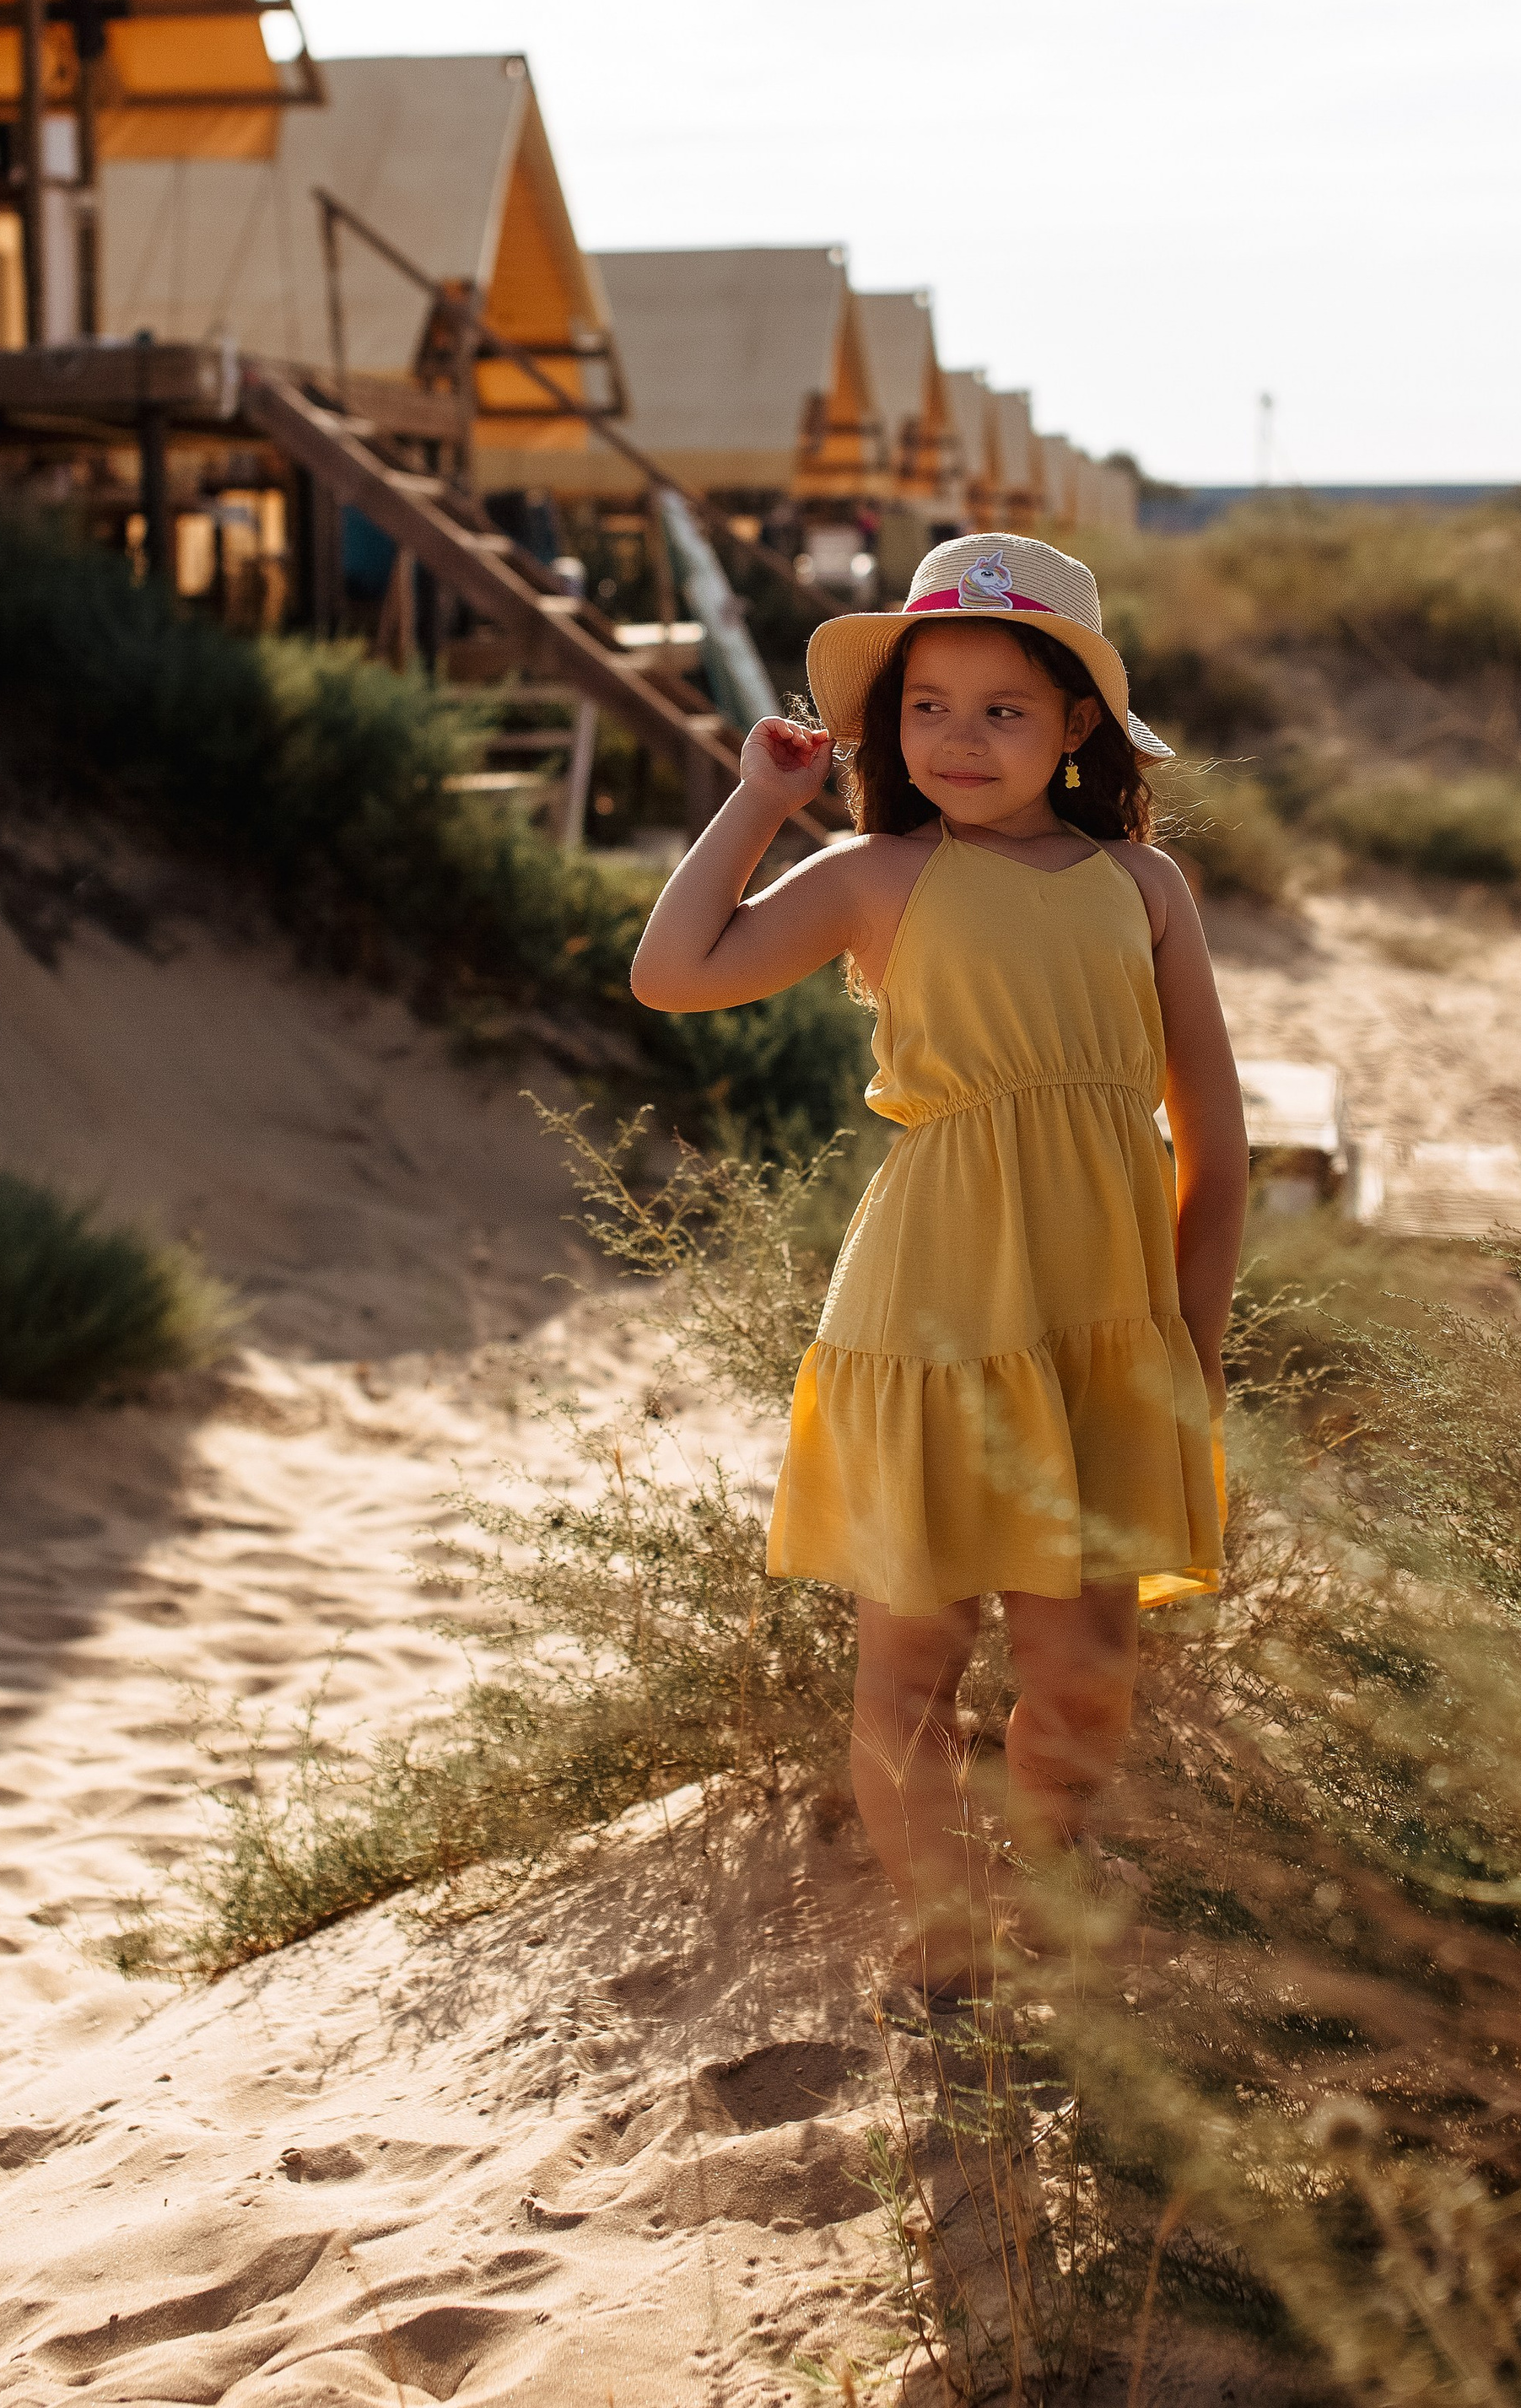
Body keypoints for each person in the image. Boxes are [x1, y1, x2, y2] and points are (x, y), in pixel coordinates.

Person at [630, 533, 1249, 2000]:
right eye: (927, 706)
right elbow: (673, 971)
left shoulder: (1144, 884)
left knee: (1084, 1667)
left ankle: (1045, 1906)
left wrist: (1197, 1342)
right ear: (887, 724)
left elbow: (1215, 1135)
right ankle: (942, 1937)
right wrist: (758, 800)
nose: (959, 739)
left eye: (1003, 709)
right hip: (928, 1307)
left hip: (1102, 1317)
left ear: (1079, 726)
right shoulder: (878, 872)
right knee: (909, 1659)